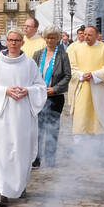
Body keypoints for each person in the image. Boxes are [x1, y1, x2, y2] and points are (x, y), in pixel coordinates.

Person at [0, 29, 46, 206]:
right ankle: (1, 190)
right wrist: (5, 91)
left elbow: (40, 87)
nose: (13, 43)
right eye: (10, 40)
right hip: (1, 115)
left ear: (22, 42)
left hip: (22, 115)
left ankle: (19, 185)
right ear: (6, 41)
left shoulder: (30, 64)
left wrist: (28, 91)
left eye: (17, 40)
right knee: (0, 151)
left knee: (20, 151)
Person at [65, 25, 104, 140]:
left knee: (99, 116)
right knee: (81, 116)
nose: (86, 37)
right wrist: (82, 75)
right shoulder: (76, 49)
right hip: (82, 87)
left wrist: (94, 75)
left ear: (97, 35)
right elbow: (71, 67)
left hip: (99, 87)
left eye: (90, 35)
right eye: (85, 34)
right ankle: (79, 144)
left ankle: (99, 144)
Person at [33, 28, 71, 167]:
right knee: (37, 128)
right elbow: (32, 74)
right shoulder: (37, 55)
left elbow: (67, 75)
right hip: (38, 96)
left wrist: (55, 89)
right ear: (44, 38)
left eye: (53, 38)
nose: (50, 40)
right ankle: (35, 159)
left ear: (58, 39)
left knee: (52, 128)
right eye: (48, 37)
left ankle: (50, 159)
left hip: (55, 97)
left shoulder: (63, 55)